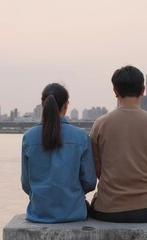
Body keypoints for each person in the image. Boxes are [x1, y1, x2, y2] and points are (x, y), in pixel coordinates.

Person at [89, 65, 147, 223]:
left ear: (115, 92)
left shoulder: (100, 124)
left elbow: (98, 170)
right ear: (143, 90)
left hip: (107, 209)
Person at [21, 83, 97, 223]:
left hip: (38, 214)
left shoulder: (29, 137)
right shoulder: (81, 137)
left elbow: (26, 183)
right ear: (66, 105)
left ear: (42, 104)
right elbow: (90, 182)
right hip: (75, 212)